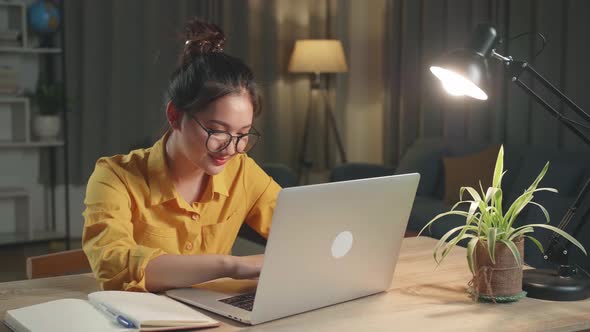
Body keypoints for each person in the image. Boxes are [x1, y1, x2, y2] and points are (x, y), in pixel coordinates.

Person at [82, 18, 281, 293]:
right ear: (175, 116)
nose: (232, 148)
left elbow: (299, 229)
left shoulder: (243, 172)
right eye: (217, 131)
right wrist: (229, 265)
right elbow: (113, 266)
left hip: (213, 315)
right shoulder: (114, 177)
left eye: (243, 134)